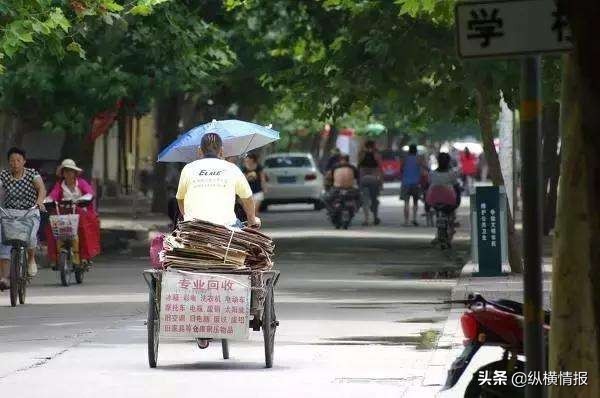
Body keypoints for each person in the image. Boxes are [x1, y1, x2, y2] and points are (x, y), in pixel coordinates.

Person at [176, 133, 260, 228]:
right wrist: (252, 219)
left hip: (193, 228)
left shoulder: (188, 169)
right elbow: (247, 198)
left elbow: (180, 198)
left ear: (199, 150)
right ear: (222, 151)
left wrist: (187, 218)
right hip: (226, 228)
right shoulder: (232, 169)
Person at [0, 147, 46, 289]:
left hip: (29, 212)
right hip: (9, 213)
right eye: (12, 161)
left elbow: (41, 189)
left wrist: (39, 202)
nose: (15, 163)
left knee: (31, 238)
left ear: (24, 161)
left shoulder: (32, 174)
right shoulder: (4, 175)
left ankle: (31, 259)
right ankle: (4, 278)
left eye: (18, 160)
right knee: (3, 243)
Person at [44, 159, 101, 268]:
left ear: (75, 173)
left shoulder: (82, 183)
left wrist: (81, 200)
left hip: (79, 211)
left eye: (71, 171)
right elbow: (53, 196)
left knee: (84, 228)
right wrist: (47, 200)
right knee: (52, 226)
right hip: (63, 211)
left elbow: (90, 193)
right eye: (66, 171)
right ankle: (55, 258)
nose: (68, 173)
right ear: (63, 173)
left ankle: (84, 257)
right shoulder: (59, 185)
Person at [426, 153, 461, 242]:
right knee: (451, 213)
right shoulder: (452, 174)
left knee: (439, 212)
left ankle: (439, 233)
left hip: (434, 199)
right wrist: (458, 199)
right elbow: (456, 187)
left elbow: (428, 186)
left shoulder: (432, 174)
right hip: (449, 200)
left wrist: (427, 203)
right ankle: (451, 228)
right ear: (448, 162)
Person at [358, 140, 383, 226]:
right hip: (374, 179)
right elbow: (380, 169)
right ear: (373, 146)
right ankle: (375, 217)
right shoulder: (377, 155)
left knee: (365, 200)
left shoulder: (361, 154)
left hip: (363, 179)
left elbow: (358, 164)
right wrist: (381, 182)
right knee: (374, 200)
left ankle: (366, 219)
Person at [400, 144, 424, 226]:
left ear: (409, 150)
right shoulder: (419, 158)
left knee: (406, 202)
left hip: (406, 182)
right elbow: (423, 169)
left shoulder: (405, 158)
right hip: (416, 183)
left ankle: (406, 221)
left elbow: (401, 169)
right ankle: (414, 219)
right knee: (415, 202)